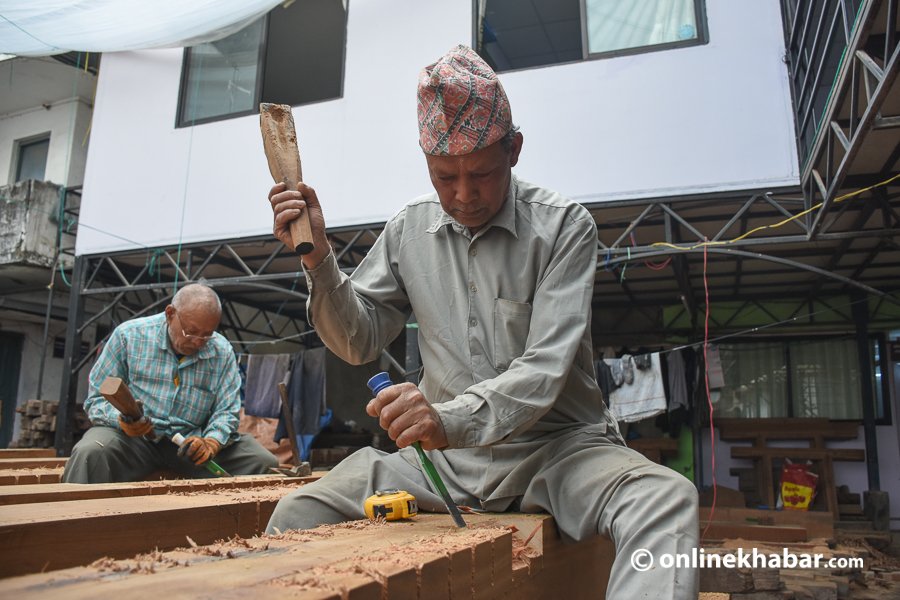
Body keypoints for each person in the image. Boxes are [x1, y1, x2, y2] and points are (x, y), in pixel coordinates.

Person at [266, 45, 698, 597]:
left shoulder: (564, 228)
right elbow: (357, 339)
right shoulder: (407, 231)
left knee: (664, 501)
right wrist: (318, 258)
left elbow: (544, 371)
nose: (464, 195)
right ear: (425, 161)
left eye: (482, 174)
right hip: (444, 463)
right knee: (299, 509)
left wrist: (445, 419)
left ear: (514, 150)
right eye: (445, 177)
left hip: (558, 451)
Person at [62, 283, 279, 483]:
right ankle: (70, 521)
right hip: (132, 441)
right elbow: (96, 399)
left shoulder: (221, 351)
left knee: (262, 462)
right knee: (90, 453)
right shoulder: (129, 336)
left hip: (191, 445)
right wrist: (121, 422)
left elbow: (227, 410)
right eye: (191, 332)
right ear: (170, 314)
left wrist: (211, 442)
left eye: (206, 335)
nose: (197, 341)